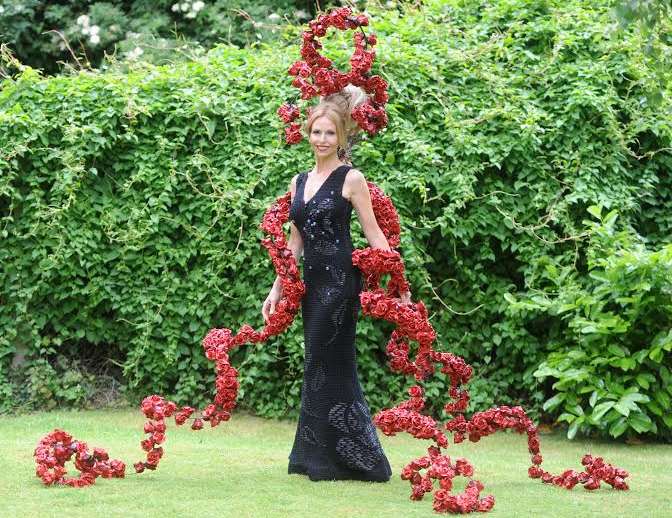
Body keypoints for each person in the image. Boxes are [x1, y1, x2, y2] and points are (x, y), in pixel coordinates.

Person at [262, 85, 411, 482]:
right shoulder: (298, 182)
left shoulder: (352, 179)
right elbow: (294, 244)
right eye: (316, 132)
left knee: (333, 364)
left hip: (341, 283)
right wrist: (277, 288)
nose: (322, 139)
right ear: (308, 134)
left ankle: (355, 461)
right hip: (310, 286)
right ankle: (313, 457)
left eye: (330, 133)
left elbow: (374, 235)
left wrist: (399, 280)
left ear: (342, 137)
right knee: (317, 364)